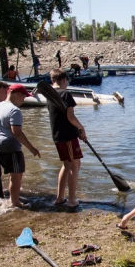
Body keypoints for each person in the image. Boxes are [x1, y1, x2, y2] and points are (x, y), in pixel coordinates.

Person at [0, 84, 41, 208]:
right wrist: (32, 148)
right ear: (18, 94)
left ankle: (13, 198)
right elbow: (17, 132)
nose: (23, 101)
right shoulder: (14, 110)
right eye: (24, 97)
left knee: (14, 174)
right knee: (16, 175)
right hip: (10, 146)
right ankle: (14, 202)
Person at [49, 68, 87, 207]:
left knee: (66, 165)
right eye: (67, 81)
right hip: (68, 136)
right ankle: (71, 200)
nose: (67, 84)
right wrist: (81, 128)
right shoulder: (65, 94)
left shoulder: (50, 95)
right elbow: (71, 117)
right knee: (74, 166)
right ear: (64, 79)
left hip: (57, 135)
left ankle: (59, 198)